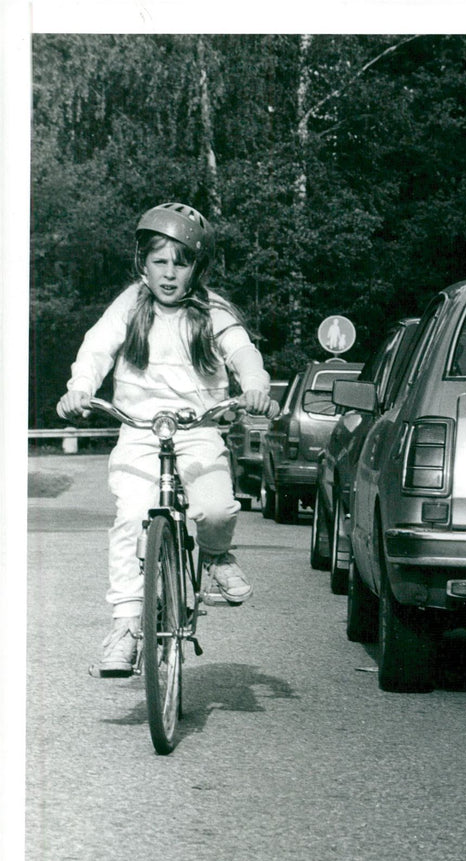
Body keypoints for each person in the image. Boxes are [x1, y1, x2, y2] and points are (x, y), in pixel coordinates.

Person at [57, 202, 273, 678]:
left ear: (198, 267)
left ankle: (216, 556)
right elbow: (96, 348)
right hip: (139, 434)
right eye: (160, 261)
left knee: (216, 509)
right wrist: (80, 388)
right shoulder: (130, 306)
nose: (170, 273)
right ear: (143, 263)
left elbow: (242, 351)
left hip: (197, 432)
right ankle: (126, 626)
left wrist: (255, 384)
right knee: (130, 518)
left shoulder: (211, 310)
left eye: (182, 262)